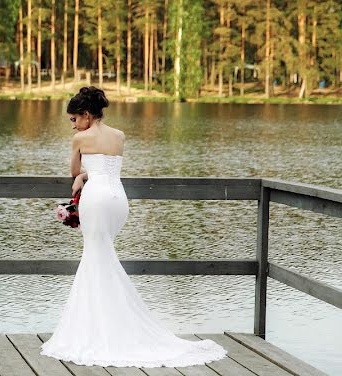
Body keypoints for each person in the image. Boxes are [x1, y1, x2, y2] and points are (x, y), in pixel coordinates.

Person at [39, 86, 228, 368]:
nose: (72, 126)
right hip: (118, 201)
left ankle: (98, 331)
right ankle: (107, 324)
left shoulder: (81, 138)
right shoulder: (119, 136)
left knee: (96, 259)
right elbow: (108, 168)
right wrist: (90, 173)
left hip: (97, 200)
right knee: (100, 259)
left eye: (74, 119)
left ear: (87, 115)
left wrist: (82, 177)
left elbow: (73, 172)